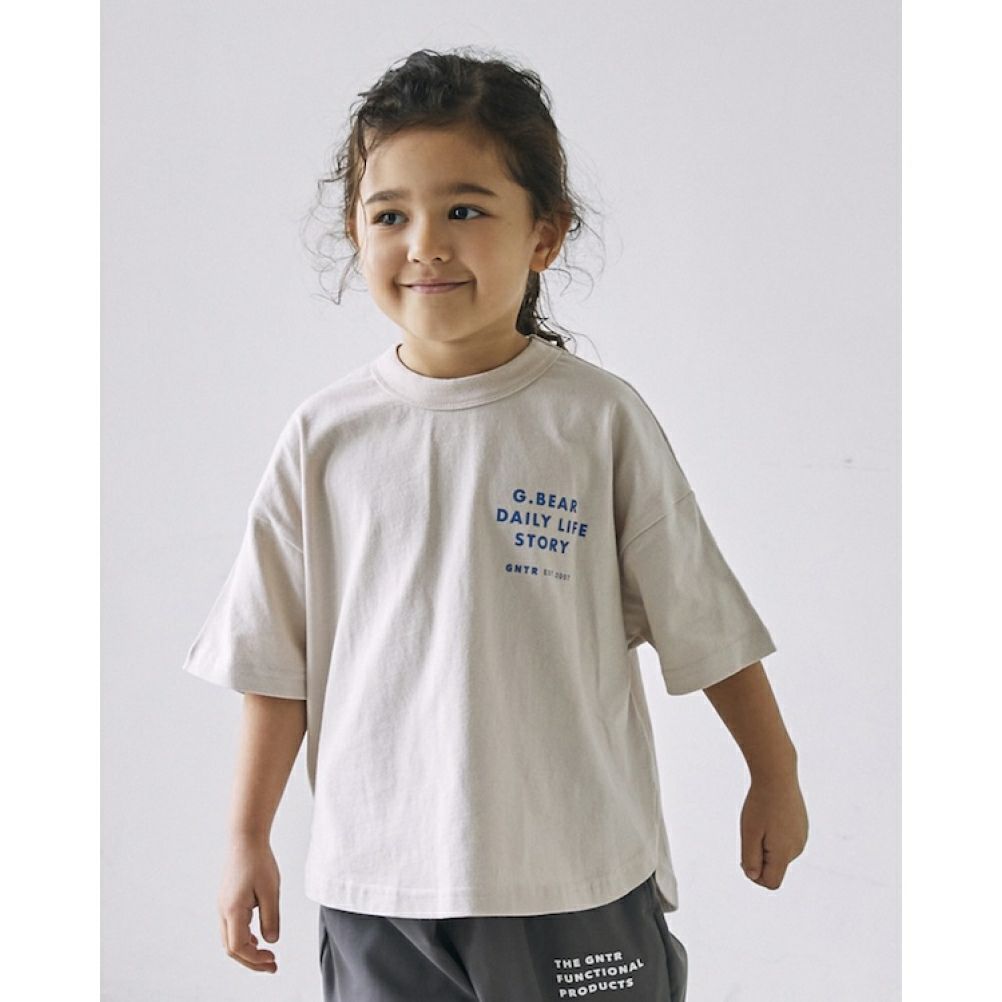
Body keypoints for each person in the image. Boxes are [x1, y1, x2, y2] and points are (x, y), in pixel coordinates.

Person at [181, 46, 809, 1001]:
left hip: (574, 875)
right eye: (390, 214)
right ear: (355, 232)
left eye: (466, 210)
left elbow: (704, 620)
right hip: (378, 888)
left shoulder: (594, 421)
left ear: (544, 235)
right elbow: (275, 662)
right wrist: (245, 836)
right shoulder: (324, 438)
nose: (425, 243)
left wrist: (775, 772)